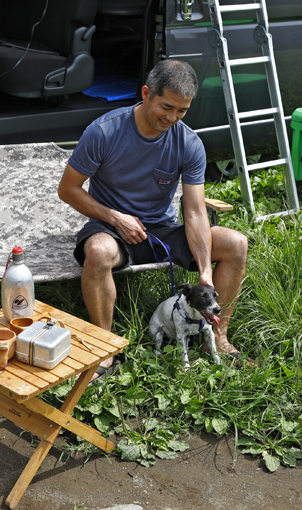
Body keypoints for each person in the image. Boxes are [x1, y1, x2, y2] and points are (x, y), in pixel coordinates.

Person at [57, 59, 249, 382]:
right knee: (99, 252)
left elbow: (195, 211)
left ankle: (216, 337)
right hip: (111, 228)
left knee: (236, 244)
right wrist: (115, 218)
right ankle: (105, 350)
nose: (172, 118)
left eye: (182, 111)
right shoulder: (104, 131)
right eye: (167, 107)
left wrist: (204, 270)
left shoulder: (188, 143)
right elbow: (68, 189)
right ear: (146, 94)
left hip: (161, 231)